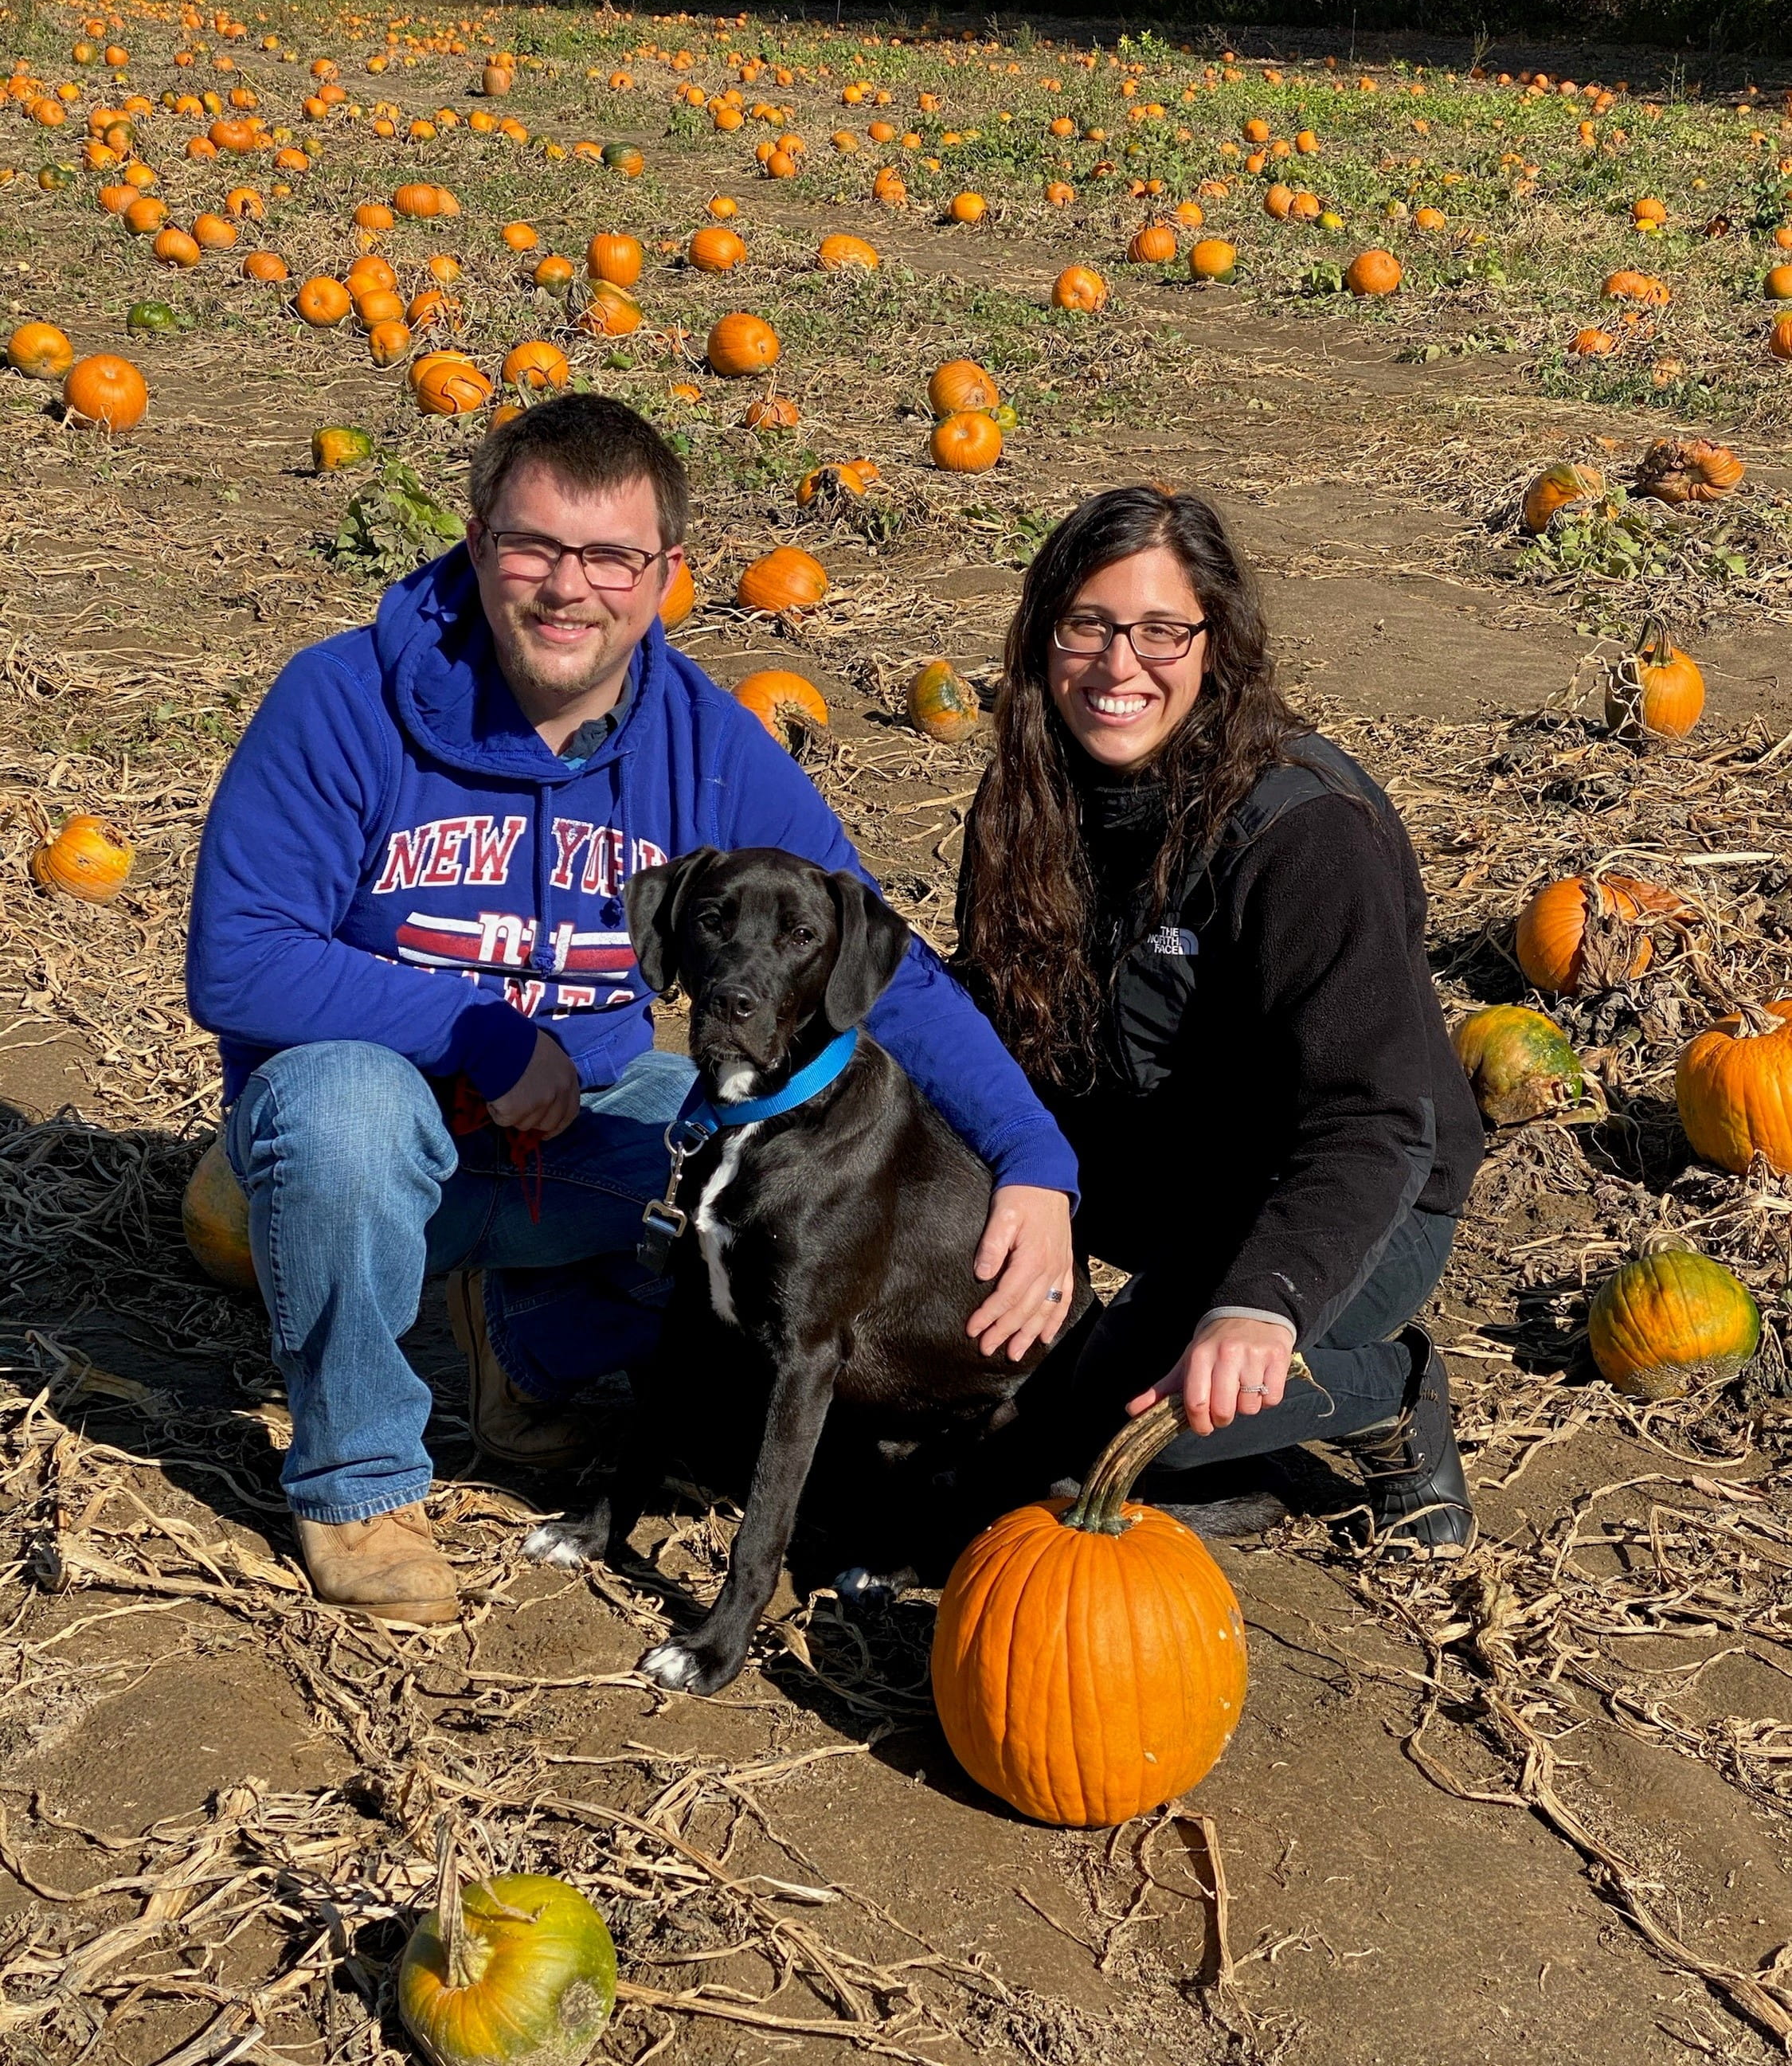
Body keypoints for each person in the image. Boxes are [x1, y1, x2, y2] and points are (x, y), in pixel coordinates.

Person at [187, 395, 1078, 1625]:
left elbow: (886, 966)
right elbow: (236, 961)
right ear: (474, 536)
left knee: (753, 1163)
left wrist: (1035, 1161)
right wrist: (484, 1035)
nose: (569, 590)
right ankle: (357, 1480)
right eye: (534, 547)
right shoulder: (340, 701)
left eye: (611, 558)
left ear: (665, 574)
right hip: (386, 1130)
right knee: (340, 1114)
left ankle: (522, 1327)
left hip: (578, 1127)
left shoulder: (705, 744)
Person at [953, 484, 1483, 1555]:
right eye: (1088, 627)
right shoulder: (1027, 800)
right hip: (1164, 1157)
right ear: (1044, 632)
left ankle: (1386, 1393)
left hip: (1346, 1189)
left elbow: (1369, 1123)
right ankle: (1128, 1358)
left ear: (1212, 644)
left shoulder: (1301, 832)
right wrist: (1022, 1177)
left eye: (1159, 632)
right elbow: (992, 1025)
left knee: (1135, 1423)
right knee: (1016, 1381)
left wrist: (1261, 1304)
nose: (1117, 668)